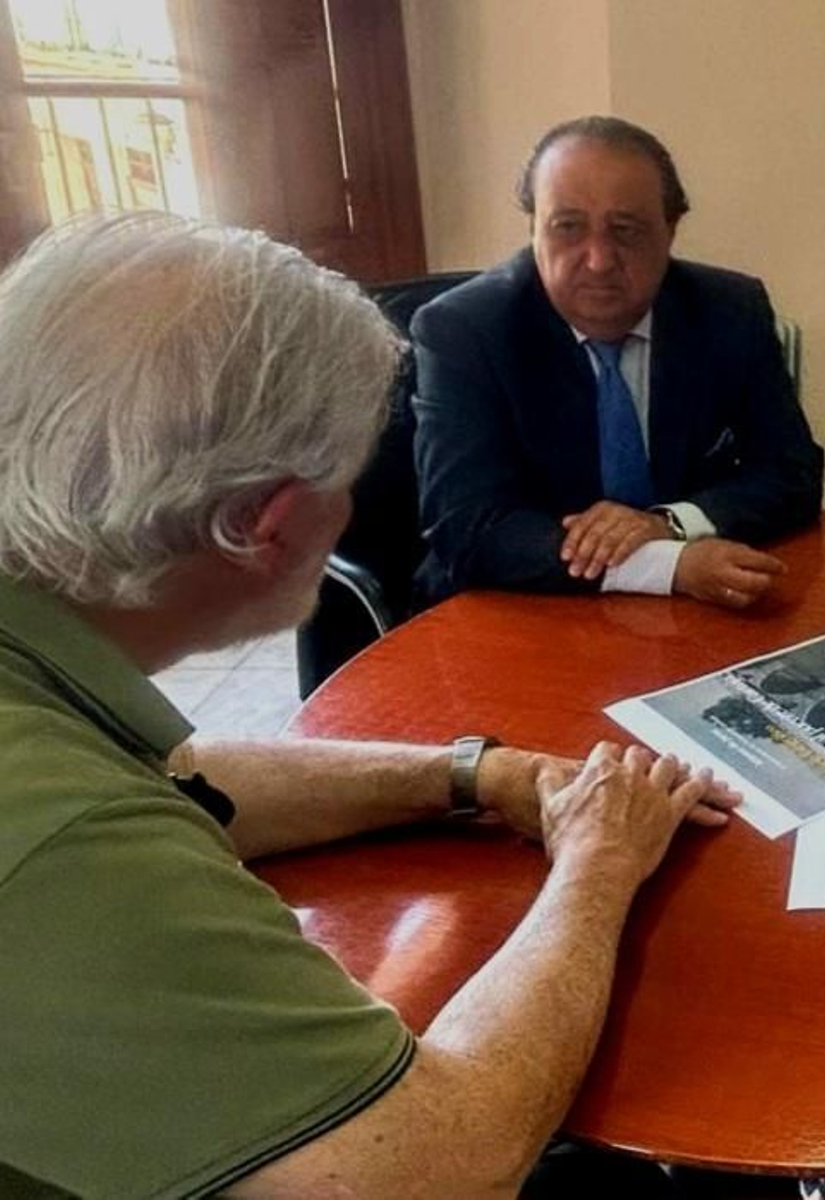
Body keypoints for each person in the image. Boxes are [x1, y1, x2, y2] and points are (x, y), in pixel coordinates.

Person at [0, 212, 740, 1199]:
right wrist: (598, 864)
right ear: (267, 524)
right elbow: (438, 1166)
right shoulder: (64, 845)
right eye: (350, 475)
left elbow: (172, 782)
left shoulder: (46, 693)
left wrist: (476, 774)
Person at [411, 115, 824, 612]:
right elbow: (468, 528)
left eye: (625, 231)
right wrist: (667, 565)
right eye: (568, 228)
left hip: (681, 616)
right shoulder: (464, 329)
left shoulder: (729, 308)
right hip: (517, 607)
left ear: (670, 231)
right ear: (533, 228)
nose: (599, 259)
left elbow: (792, 473)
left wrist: (669, 523)